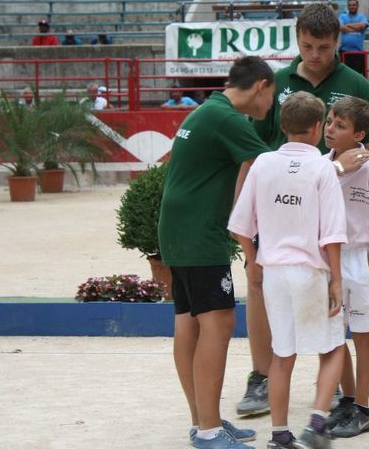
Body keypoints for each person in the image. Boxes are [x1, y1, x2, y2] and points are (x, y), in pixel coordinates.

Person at [235, 3, 369, 418]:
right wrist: (245, 208)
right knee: (261, 290)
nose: (315, 55)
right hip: (282, 213)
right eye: (307, 46)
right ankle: (262, 376)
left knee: (336, 313)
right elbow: (253, 152)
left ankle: (349, 400)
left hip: (333, 228)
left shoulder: (355, 84)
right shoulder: (275, 83)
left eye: (324, 47)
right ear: (297, 39)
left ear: (338, 42)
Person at [157, 56, 276, 449]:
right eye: (271, 95)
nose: (271, 105)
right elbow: (272, 167)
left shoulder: (207, 110)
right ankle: (208, 430)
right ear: (261, 85)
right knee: (219, 322)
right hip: (199, 233)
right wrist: (337, 169)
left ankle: (202, 419)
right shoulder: (227, 119)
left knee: (188, 322)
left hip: (177, 228)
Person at [228, 91, 347, 449]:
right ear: (316, 127)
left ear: (282, 126)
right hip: (310, 269)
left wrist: (253, 264)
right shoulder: (323, 167)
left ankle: (280, 435)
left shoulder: (262, 163)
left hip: (274, 271)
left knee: (282, 355)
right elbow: (332, 233)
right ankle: (317, 422)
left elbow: (240, 225)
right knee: (333, 348)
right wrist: (337, 280)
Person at [322, 96, 369, 439]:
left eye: (340, 125)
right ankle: (347, 400)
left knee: (362, 336)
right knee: (334, 335)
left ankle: (363, 409)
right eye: (328, 122)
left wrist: (368, 268)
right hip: (331, 258)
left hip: (362, 257)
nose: (330, 129)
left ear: (359, 134)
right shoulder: (324, 165)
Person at [338, 0, 369, 77]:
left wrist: (347, 26)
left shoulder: (362, 17)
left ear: (357, 6)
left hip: (358, 52)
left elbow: (362, 26)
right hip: (345, 52)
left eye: (354, 5)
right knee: (344, 76)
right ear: (347, 7)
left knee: (359, 76)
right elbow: (340, 27)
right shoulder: (342, 16)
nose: (352, 7)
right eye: (350, 5)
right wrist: (356, 27)